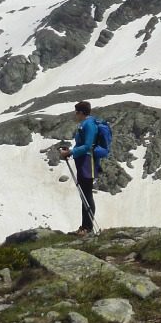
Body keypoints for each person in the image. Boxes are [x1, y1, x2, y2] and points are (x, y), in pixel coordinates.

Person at [59, 100, 105, 236]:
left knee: (87, 193)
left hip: (87, 161)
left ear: (81, 113)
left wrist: (71, 152)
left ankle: (87, 227)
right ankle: (84, 226)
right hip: (83, 161)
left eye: (76, 112)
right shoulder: (86, 124)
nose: (75, 115)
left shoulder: (88, 124)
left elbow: (87, 145)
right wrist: (71, 151)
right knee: (84, 193)